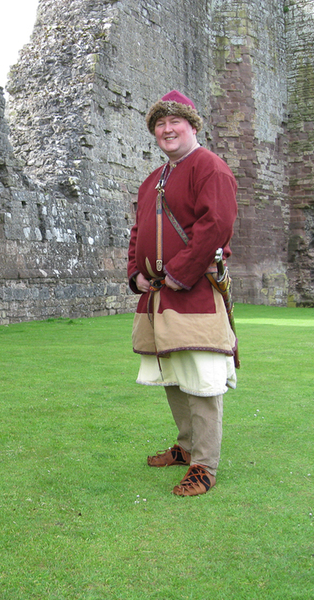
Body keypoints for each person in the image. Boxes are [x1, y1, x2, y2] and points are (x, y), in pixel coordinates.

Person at [127, 90, 238, 497]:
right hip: (157, 294)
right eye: (160, 123)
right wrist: (135, 273)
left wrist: (178, 273)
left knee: (203, 378)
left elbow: (216, 226)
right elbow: (137, 231)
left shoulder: (210, 167)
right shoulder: (152, 180)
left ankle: (204, 467)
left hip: (194, 292)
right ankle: (187, 447)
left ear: (193, 126)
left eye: (175, 122)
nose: (167, 129)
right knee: (172, 373)